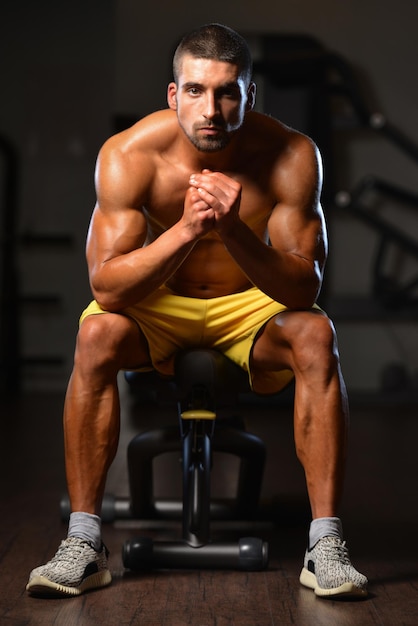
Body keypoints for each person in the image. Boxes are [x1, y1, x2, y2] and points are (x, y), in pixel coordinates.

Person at [26, 23, 368, 599]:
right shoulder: (130, 156)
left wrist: (234, 231)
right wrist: (187, 229)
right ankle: (84, 542)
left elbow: (303, 289)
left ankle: (326, 544)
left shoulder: (290, 156)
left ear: (250, 95)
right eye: (195, 91)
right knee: (95, 337)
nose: (211, 109)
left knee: (315, 335)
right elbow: (107, 287)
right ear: (172, 93)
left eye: (228, 92)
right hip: (156, 306)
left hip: (251, 308)